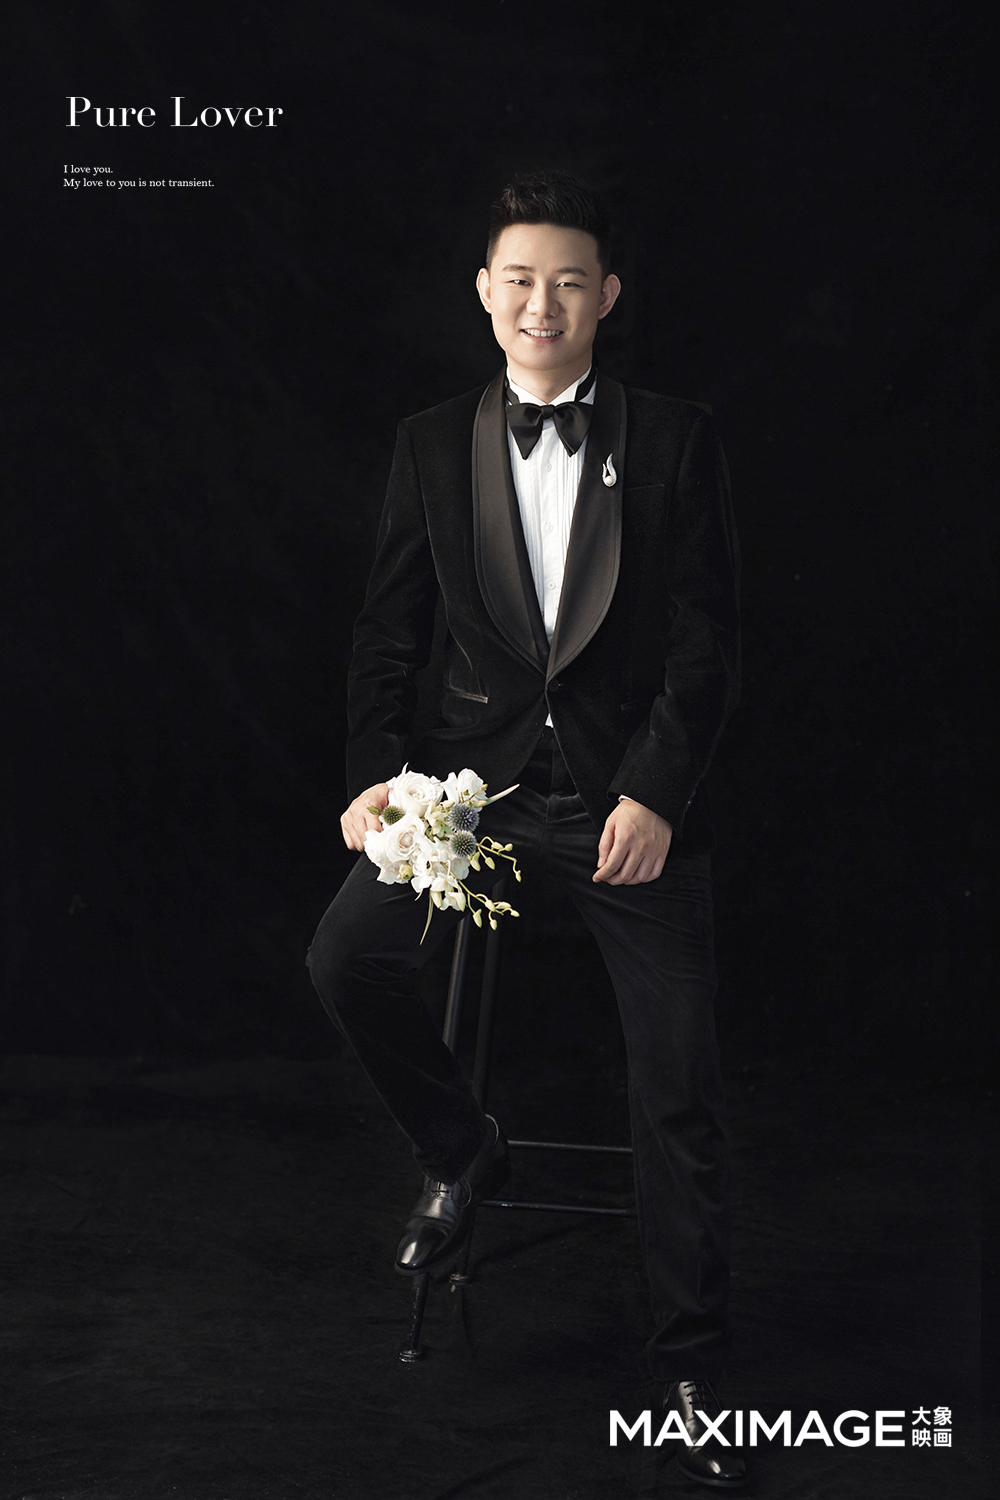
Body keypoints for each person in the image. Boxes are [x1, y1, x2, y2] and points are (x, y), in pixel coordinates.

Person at [307, 171, 745, 1489]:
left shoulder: (675, 439)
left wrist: (656, 793)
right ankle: (464, 1149)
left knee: (676, 1085)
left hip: (626, 806)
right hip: (476, 795)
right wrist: (377, 780)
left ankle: (692, 1368)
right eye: (519, 280)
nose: (541, 303)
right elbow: (388, 632)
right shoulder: (431, 440)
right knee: (345, 960)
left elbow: (709, 644)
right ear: (486, 296)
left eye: (567, 281)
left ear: (606, 297)